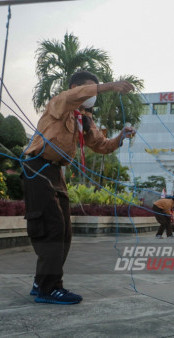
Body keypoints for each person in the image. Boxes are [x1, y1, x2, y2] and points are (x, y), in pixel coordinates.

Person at [23, 70, 136, 305]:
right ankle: (49, 288)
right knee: (51, 226)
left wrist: (121, 137)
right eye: (88, 88)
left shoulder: (84, 118)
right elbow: (77, 95)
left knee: (64, 231)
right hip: (37, 166)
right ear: (75, 87)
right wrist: (109, 86)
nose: (92, 94)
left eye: (94, 89)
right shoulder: (60, 102)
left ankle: (41, 282)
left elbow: (100, 144)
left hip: (56, 171)